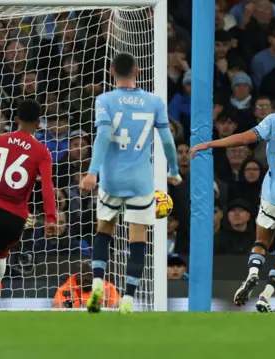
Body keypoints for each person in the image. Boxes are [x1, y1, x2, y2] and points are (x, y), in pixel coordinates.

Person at [190, 74, 275, 313]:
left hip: (274, 194)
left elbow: (244, 138)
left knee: (262, 241)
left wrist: (210, 144)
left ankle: (253, 273)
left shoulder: (274, 120)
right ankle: (266, 295)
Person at [79, 52, 182, 314]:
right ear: (137, 72)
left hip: (112, 179)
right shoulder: (154, 101)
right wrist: (174, 169)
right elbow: (168, 141)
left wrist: (92, 171)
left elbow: (103, 136)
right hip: (141, 181)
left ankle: (99, 284)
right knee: (137, 239)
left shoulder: (104, 100)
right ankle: (128, 298)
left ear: (112, 72)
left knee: (104, 231)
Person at [0, 99, 57, 313]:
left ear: (15, 120)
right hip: (18, 217)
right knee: (1, 252)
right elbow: (47, 188)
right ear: (38, 123)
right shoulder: (42, 152)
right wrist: (50, 219)